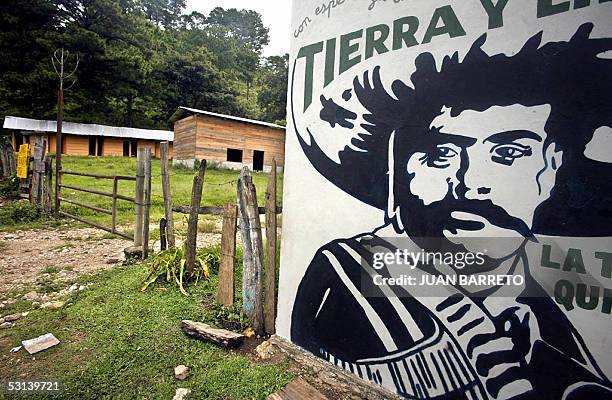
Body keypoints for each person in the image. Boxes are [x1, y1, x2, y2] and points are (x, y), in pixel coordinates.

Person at [290, 23, 612, 399]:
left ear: (551, 167)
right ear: (399, 171)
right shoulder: (346, 281)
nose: (472, 184)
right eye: (441, 155)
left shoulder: (532, 301)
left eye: (508, 153)